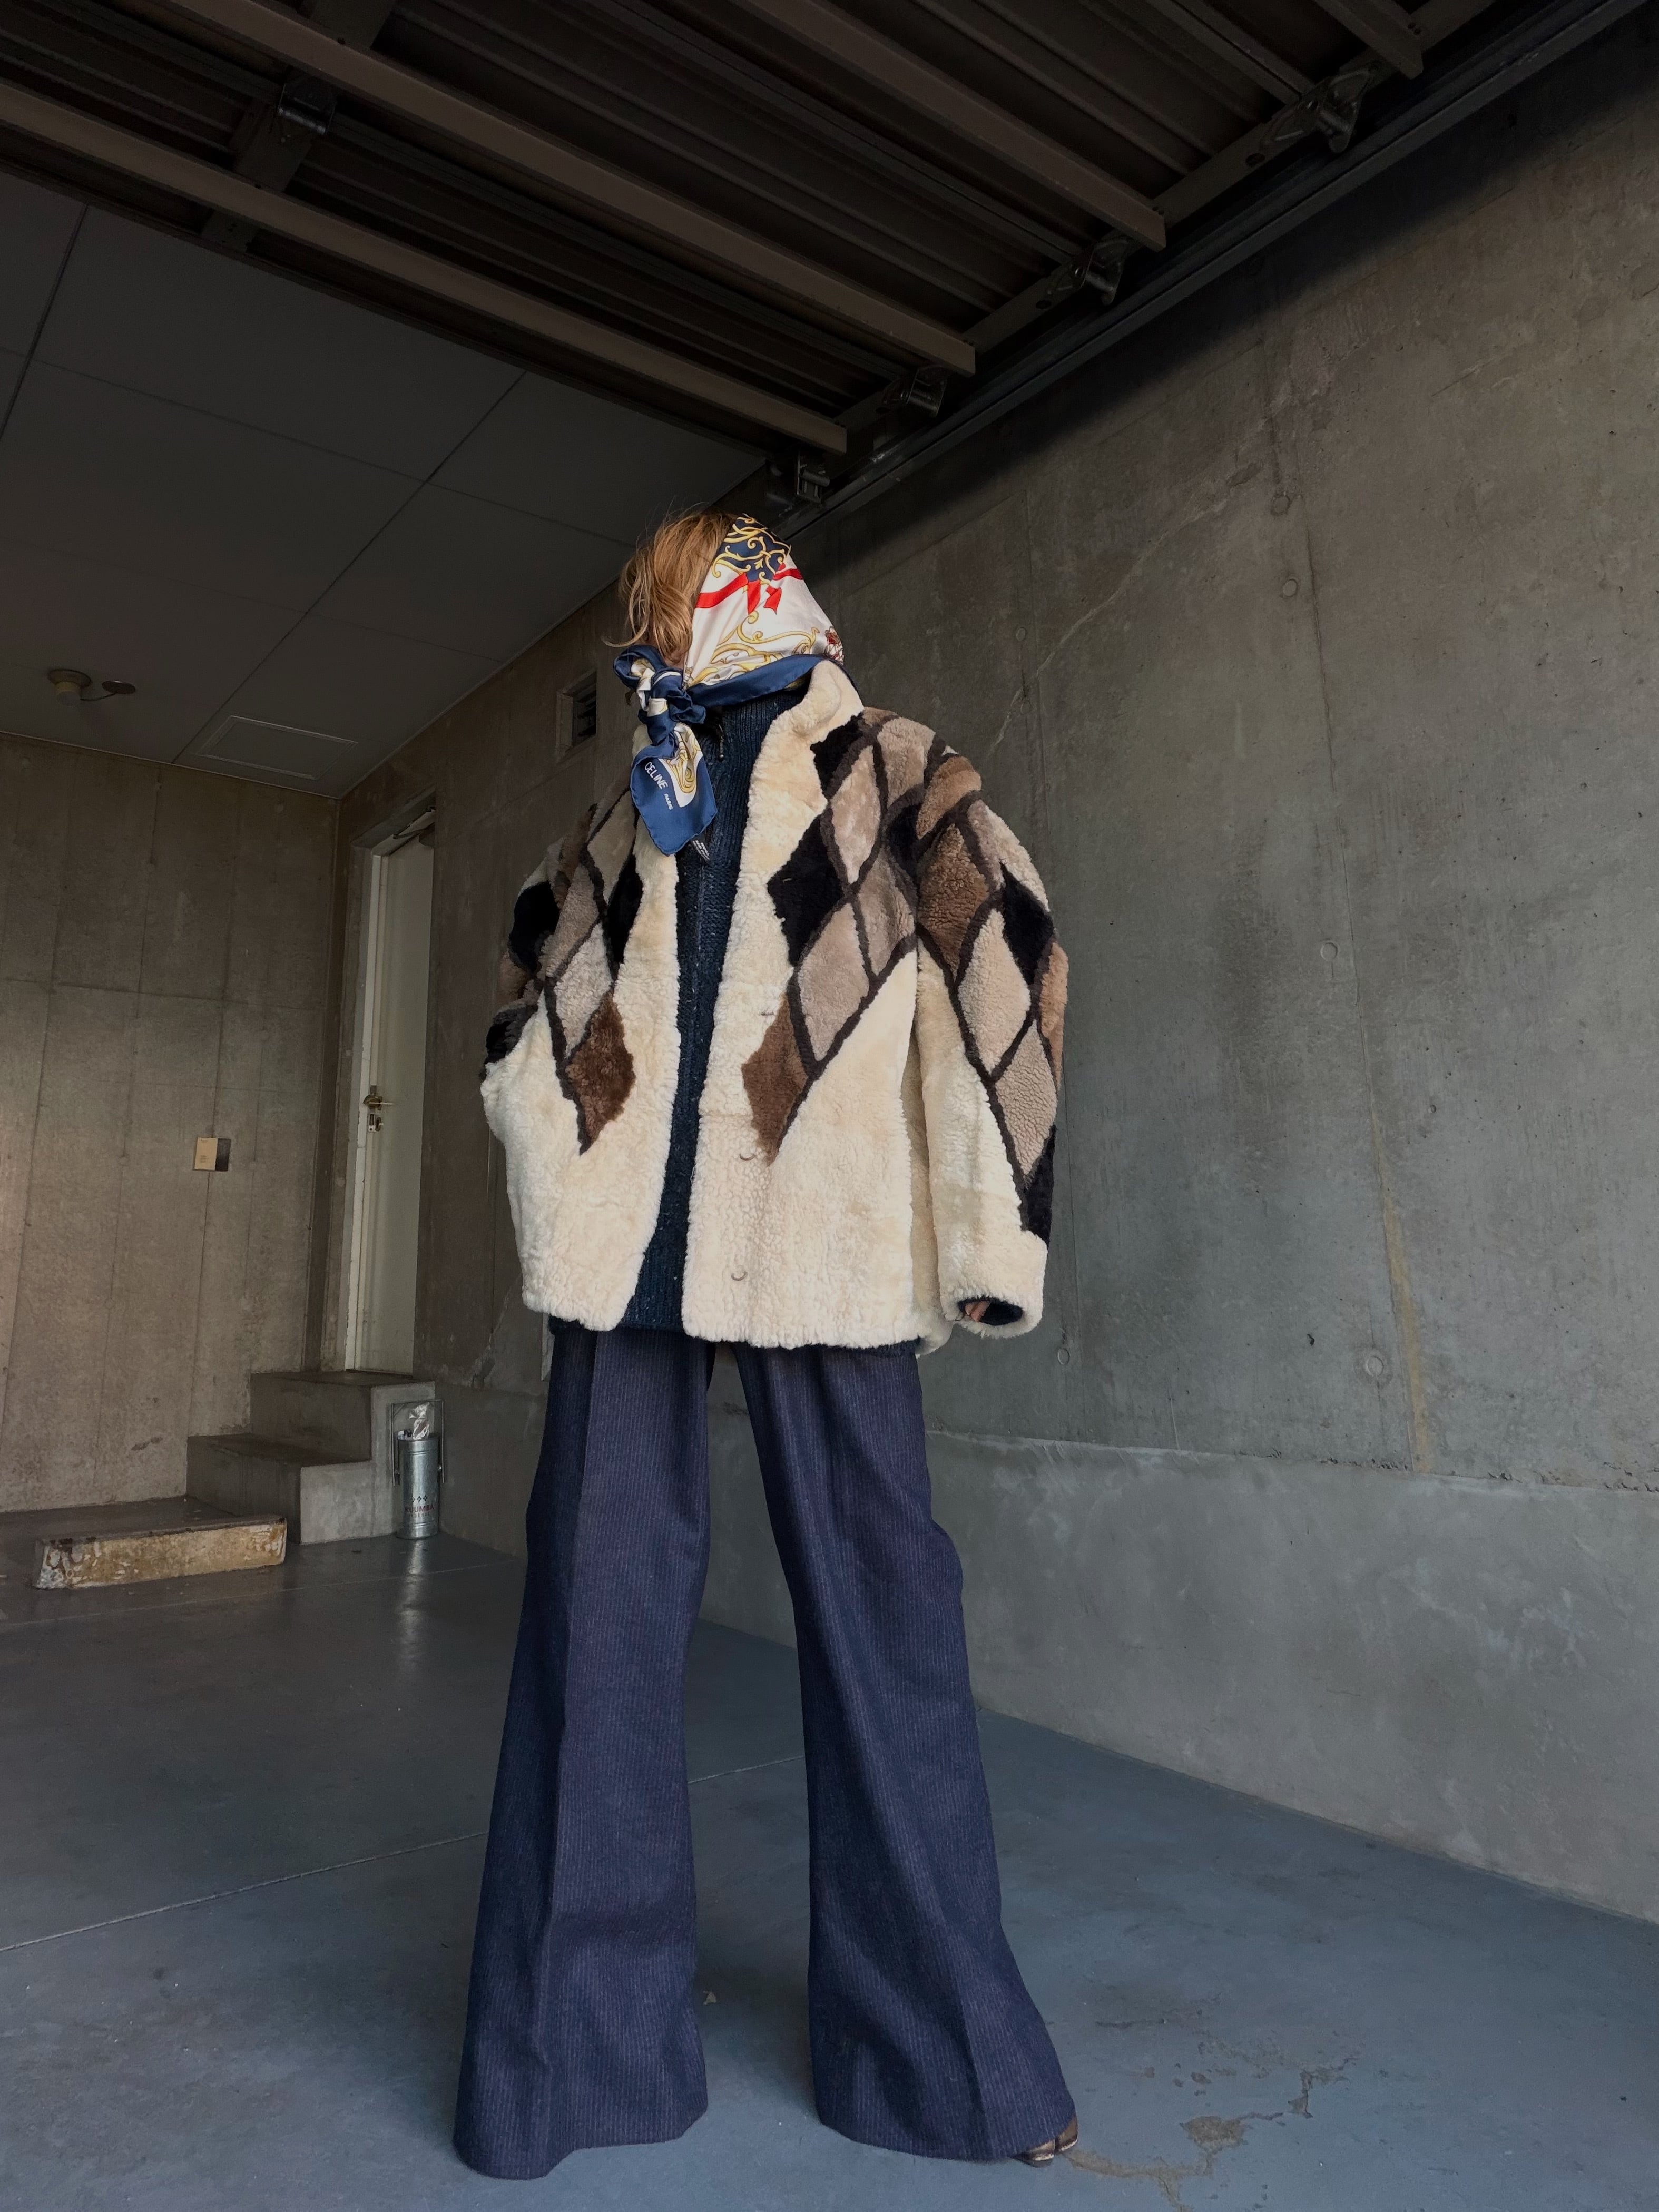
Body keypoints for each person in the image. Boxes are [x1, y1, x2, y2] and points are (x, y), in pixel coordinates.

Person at [454, 509, 1075, 2178]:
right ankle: (568, 2068)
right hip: (631, 1269)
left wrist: (988, 1233)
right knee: (590, 1632)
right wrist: (561, 1132)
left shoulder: (898, 773)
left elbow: (1006, 974)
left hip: (827, 1247)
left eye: (678, 597)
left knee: (889, 1622)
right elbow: (535, 987)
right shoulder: (628, 808)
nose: (671, 623)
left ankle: (945, 2064)